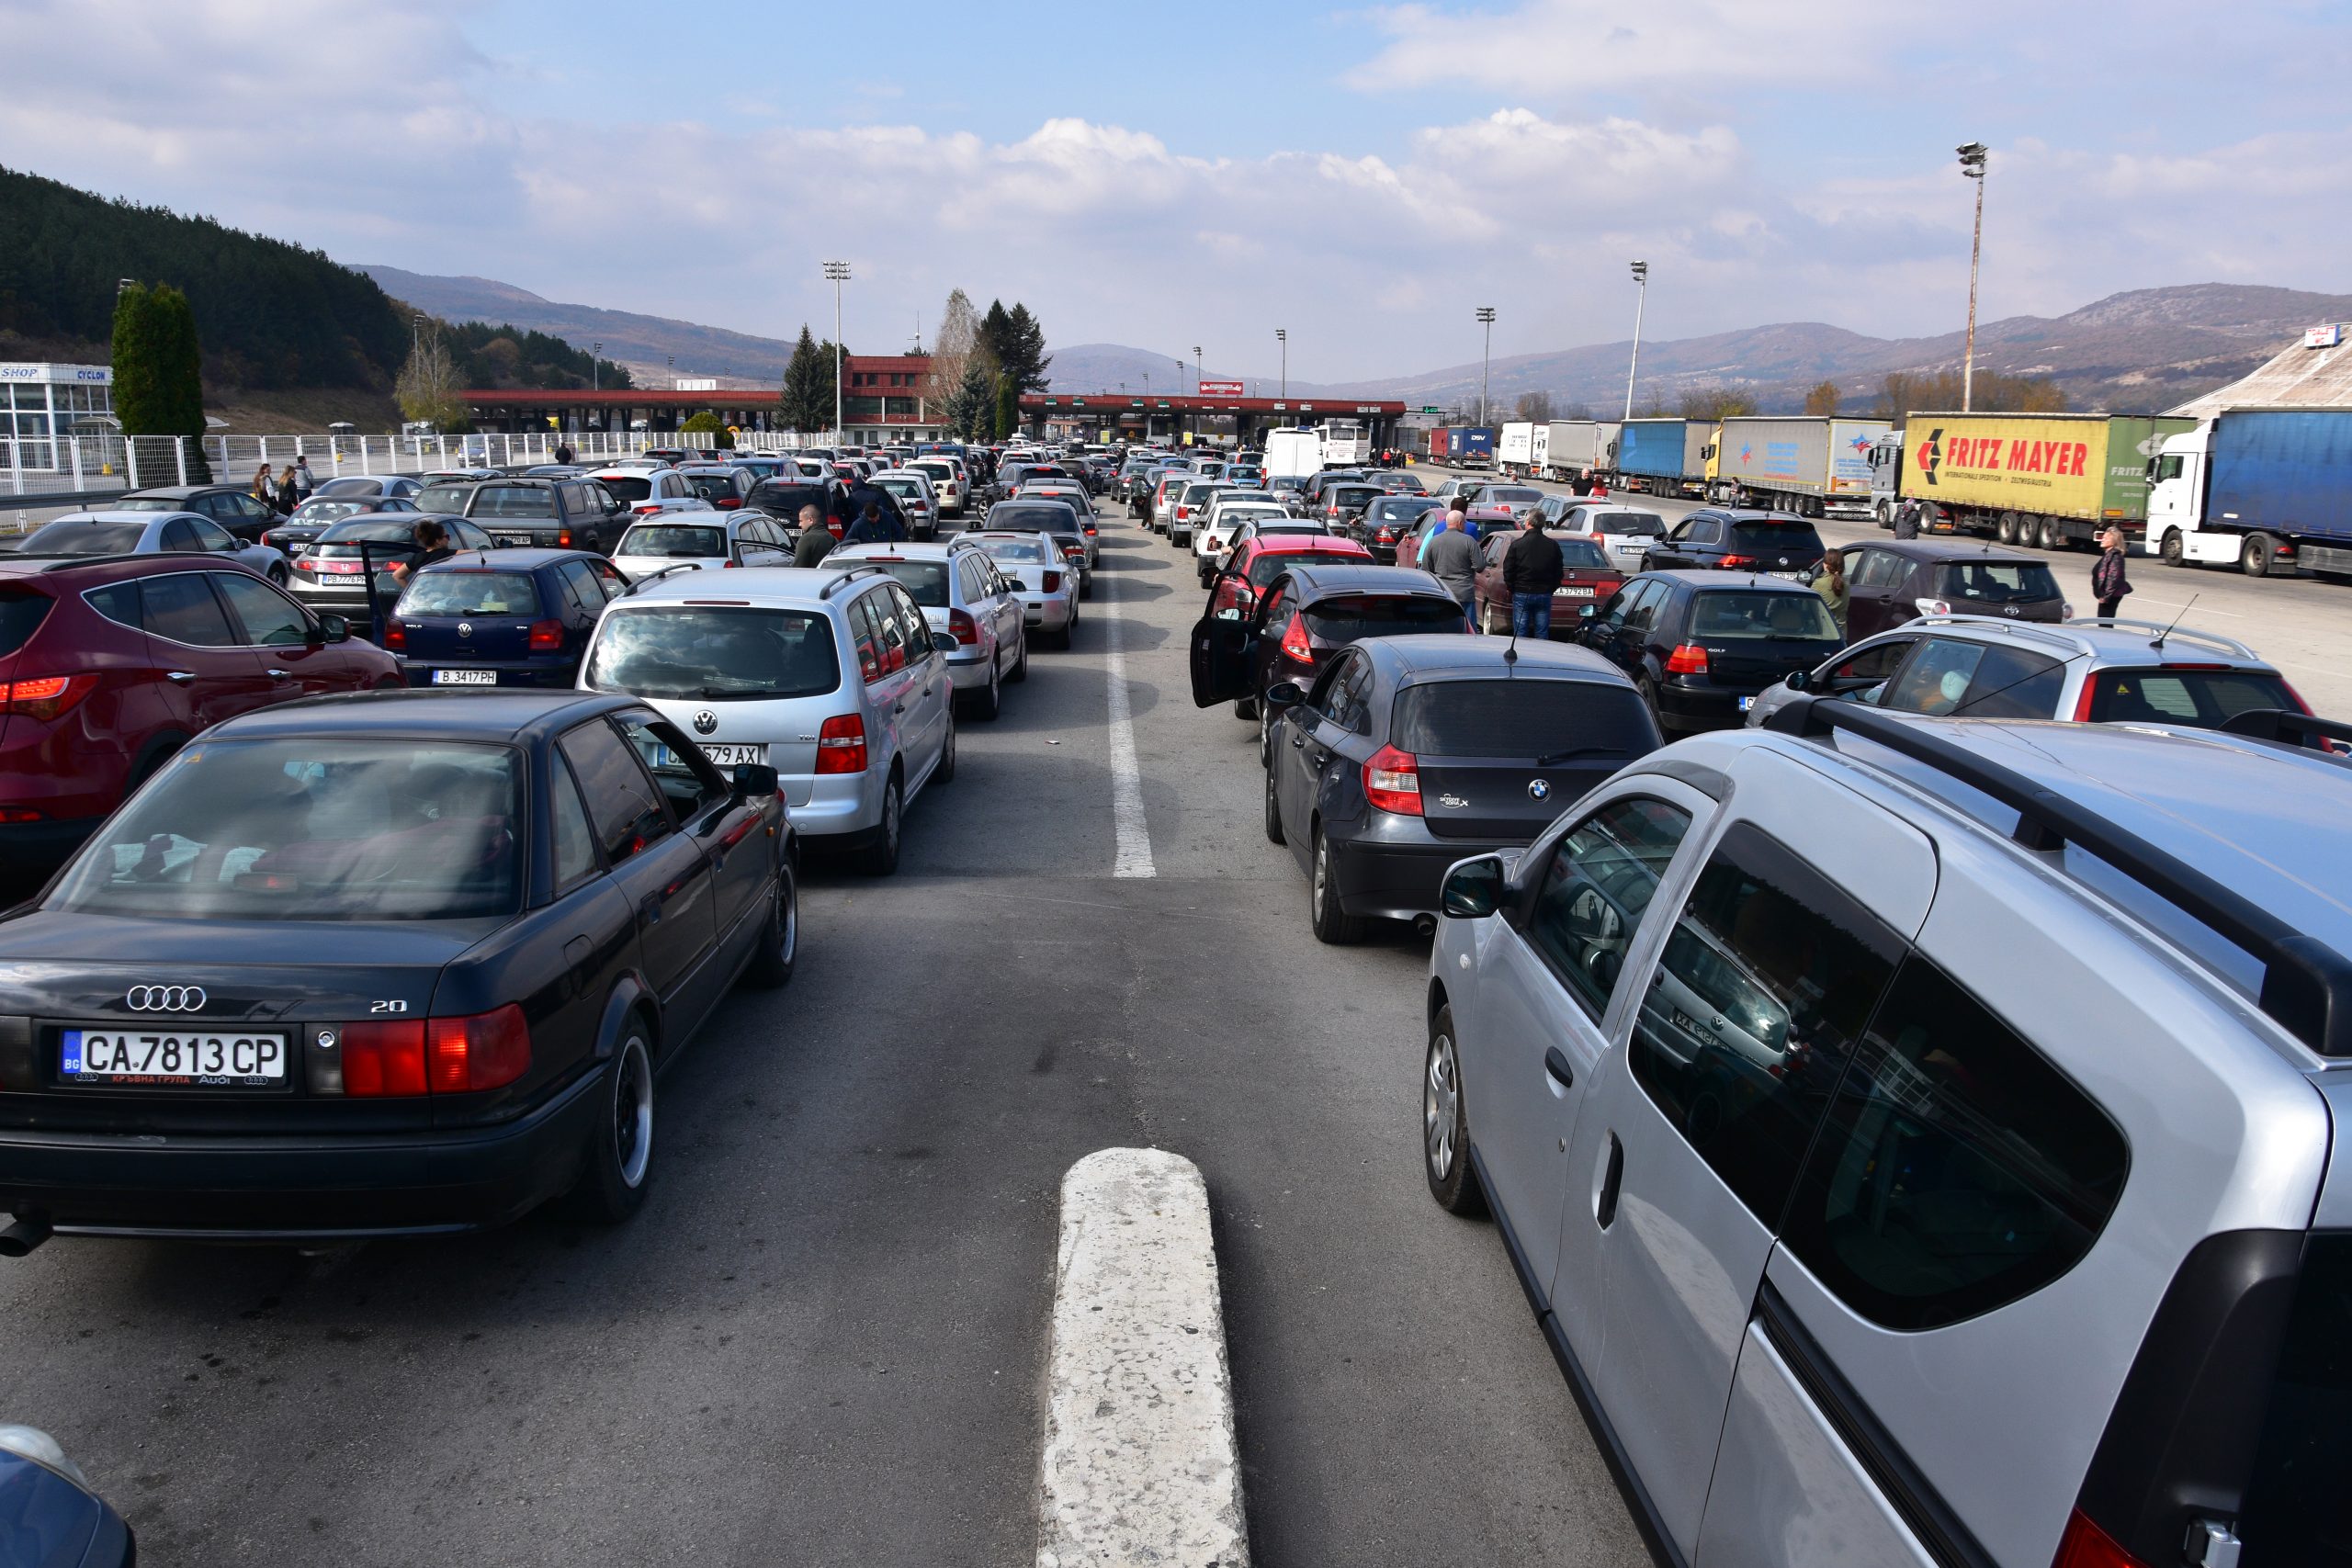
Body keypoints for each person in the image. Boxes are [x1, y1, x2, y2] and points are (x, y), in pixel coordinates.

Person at [1501, 510, 1565, 640]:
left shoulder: (1517, 545)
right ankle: (1540, 657)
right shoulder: (1552, 545)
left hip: (1522, 591)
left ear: (1528, 523)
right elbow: (1558, 571)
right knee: (1541, 631)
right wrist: (1552, 587)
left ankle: (1521, 656)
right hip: (1543, 592)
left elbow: (1508, 569)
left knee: (1520, 631)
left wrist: (1512, 587)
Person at [1424, 510, 1481, 618]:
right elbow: (1480, 565)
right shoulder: (1469, 541)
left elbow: (1426, 570)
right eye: (1464, 523)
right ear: (1459, 523)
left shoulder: (1433, 541)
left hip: (1442, 593)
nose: (1465, 526)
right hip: (1464, 593)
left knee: (1445, 630)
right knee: (1467, 630)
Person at [388, 519, 454, 585]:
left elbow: (397, 575)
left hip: (423, 593)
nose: (449, 540)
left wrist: (410, 592)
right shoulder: (449, 554)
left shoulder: (417, 557)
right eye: (447, 536)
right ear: (438, 541)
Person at [2092, 526, 2132, 619]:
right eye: (2103, 537)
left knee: (2105, 624)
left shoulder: (2115, 557)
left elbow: (2113, 578)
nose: (2102, 539)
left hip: (2110, 597)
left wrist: (2106, 597)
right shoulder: (2109, 554)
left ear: (2114, 541)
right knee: (2103, 622)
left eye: (2105, 538)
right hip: (2106, 596)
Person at [1814, 548, 1850, 637]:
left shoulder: (1819, 583)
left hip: (1825, 634)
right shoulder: (1846, 584)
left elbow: (1806, 607)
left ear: (1826, 566)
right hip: (1842, 634)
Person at [792, 503, 835, 567]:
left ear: (811, 520)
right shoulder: (832, 538)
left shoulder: (806, 539)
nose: (799, 524)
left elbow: (798, 568)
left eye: (801, 521)